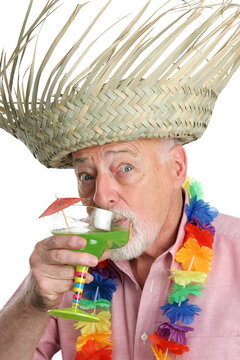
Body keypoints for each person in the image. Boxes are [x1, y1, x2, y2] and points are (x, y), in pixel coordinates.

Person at [0, 1, 240, 359]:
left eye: (124, 167)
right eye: (86, 175)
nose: (101, 196)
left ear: (176, 168)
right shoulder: (68, 264)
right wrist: (33, 302)